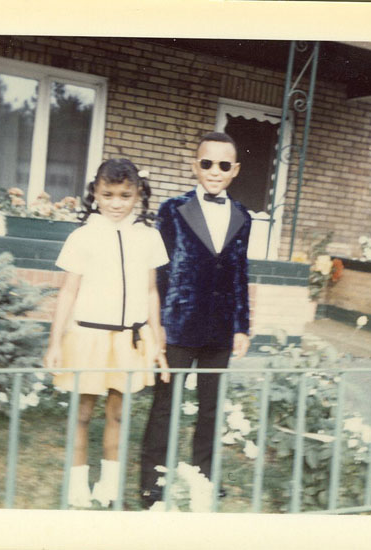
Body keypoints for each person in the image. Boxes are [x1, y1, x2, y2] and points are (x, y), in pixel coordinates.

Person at [44, 158, 170, 509]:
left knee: (117, 414)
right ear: (95, 194)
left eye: (125, 195)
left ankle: (109, 487)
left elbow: (150, 293)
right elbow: (67, 291)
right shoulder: (82, 236)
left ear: (138, 196)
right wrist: (55, 341)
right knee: (82, 414)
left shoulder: (148, 237)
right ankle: (77, 487)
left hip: (127, 340)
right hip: (89, 339)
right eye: (108, 194)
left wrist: (157, 342)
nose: (116, 203)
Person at [140, 132, 251, 508]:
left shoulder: (241, 216)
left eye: (223, 165)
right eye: (207, 163)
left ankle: (203, 475)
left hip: (220, 328)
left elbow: (239, 272)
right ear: (195, 166)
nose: (214, 171)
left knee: (210, 405)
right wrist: (158, 326)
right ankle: (153, 480)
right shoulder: (173, 210)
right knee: (166, 403)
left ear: (234, 170)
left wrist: (242, 325)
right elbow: (161, 271)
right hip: (179, 324)